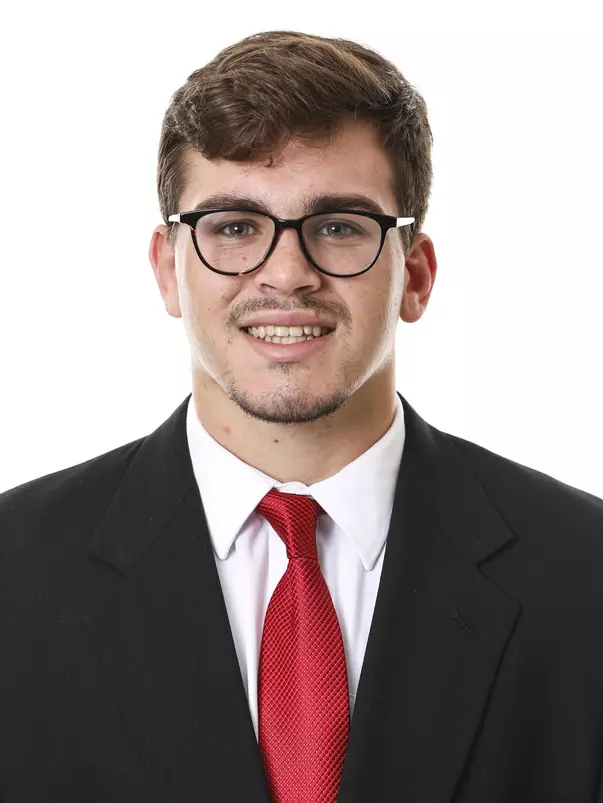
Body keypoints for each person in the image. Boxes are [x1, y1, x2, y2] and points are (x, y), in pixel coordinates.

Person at [0, 28, 602, 803]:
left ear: (415, 275)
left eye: (339, 226)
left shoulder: (584, 574)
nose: (286, 274)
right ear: (169, 270)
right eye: (235, 226)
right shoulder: (14, 572)